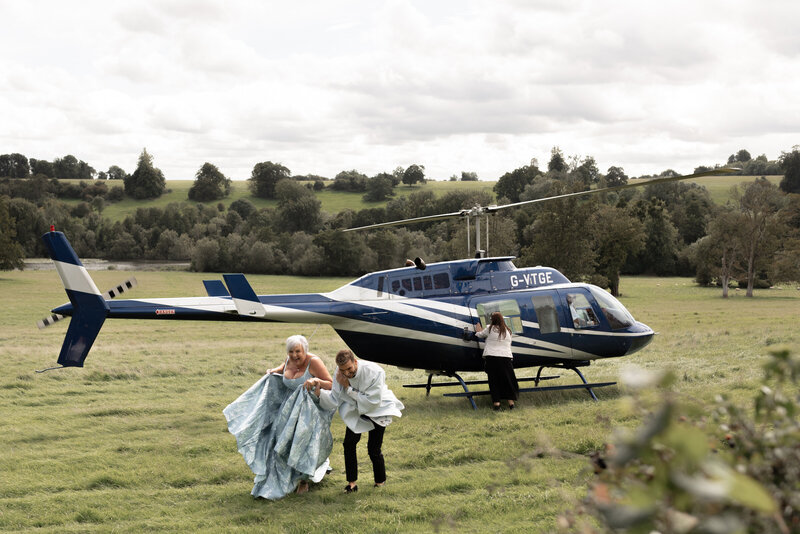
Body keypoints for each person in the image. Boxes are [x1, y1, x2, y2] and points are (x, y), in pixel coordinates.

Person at [223, 335, 334, 499]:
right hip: (287, 412)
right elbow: (283, 368)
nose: (295, 355)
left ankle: (304, 480)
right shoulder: (289, 360)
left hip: (309, 411)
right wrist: (273, 372)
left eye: (298, 351)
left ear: (305, 350)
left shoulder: (314, 362)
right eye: (291, 352)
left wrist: (316, 380)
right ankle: (276, 480)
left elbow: (331, 383)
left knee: (302, 444)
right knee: (279, 443)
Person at [316, 349, 404, 493]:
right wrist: (319, 393)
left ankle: (379, 482)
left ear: (355, 362)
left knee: (373, 449)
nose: (346, 374)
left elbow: (372, 402)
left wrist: (348, 388)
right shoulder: (340, 373)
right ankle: (352, 484)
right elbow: (335, 398)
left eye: (349, 369)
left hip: (379, 409)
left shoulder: (375, 371)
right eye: (343, 370)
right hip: (355, 409)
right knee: (349, 444)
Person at [474, 311, 519, 410]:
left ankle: (497, 404)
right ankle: (511, 404)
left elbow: (480, 335)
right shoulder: (508, 331)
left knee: (494, 381)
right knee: (507, 381)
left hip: (492, 358)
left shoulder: (490, 328)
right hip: (506, 358)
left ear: (493, 320)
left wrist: (478, 330)